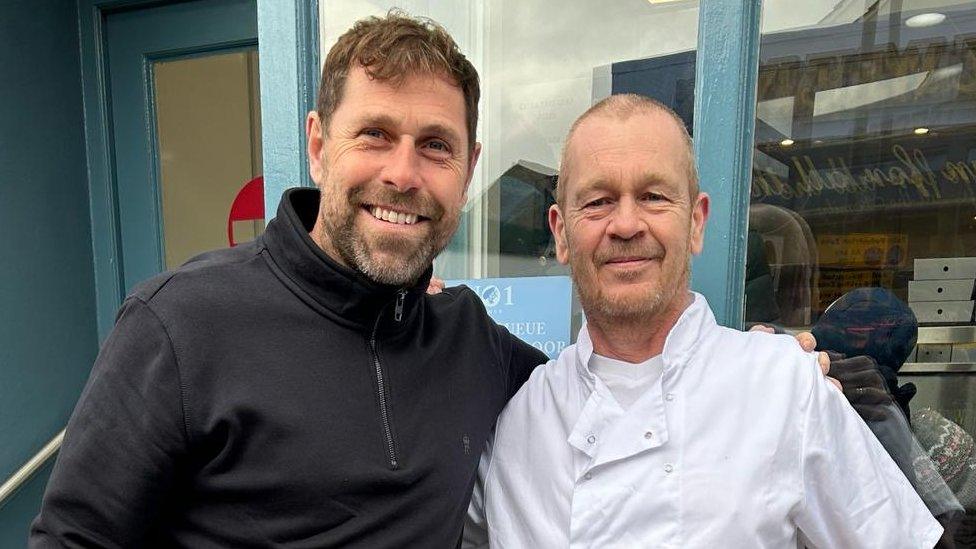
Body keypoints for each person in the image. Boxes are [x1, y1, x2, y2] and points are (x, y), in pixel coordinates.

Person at [31, 12, 825, 548]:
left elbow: (612, 377)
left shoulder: (471, 342)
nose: (403, 174)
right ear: (317, 145)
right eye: (374, 134)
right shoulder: (181, 325)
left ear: (470, 169)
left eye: (436, 146)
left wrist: (751, 361)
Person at [465, 94, 943, 548]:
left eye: (653, 196)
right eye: (597, 202)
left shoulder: (786, 389)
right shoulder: (515, 422)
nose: (627, 224)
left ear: (696, 222)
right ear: (561, 232)